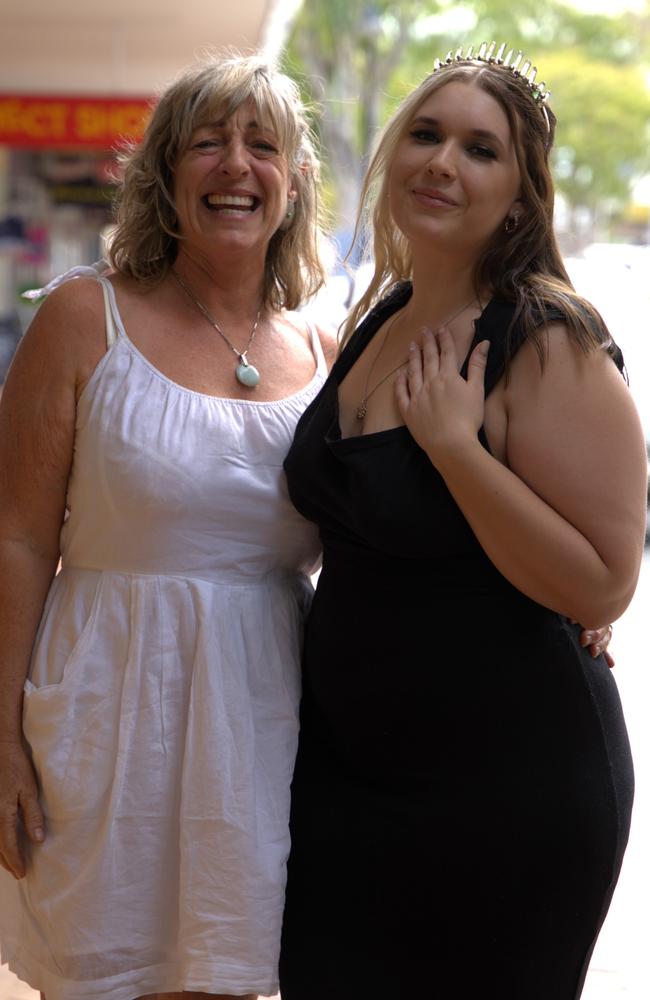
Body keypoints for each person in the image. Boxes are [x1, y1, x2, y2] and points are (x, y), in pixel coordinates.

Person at [279, 43, 648, 999]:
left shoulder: (546, 338)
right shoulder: (381, 316)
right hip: (345, 779)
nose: (442, 162)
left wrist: (455, 450)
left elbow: (606, 582)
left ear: (522, 197)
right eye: (427, 135)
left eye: (481, 150)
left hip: (507, 795)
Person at [0, 53, 335, 1000]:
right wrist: (0, 736)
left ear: (295, 183)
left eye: (262, 145)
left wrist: (560, 609)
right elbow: (17, 537)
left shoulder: (324, 347)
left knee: (228, 978)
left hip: (265, 719)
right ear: (164, 173)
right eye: (208, 142)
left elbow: (396, 525)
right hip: (108, 706)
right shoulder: (82, 316)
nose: (236, 165)